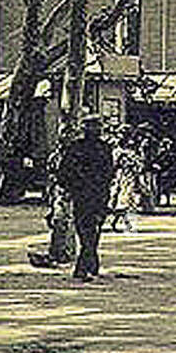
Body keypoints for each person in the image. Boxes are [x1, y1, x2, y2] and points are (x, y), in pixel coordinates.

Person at [61, 115, 115, 281]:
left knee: (87, 229)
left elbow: (63, 173)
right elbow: (65, 172)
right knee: (91, 229)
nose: (95, 131)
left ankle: (85, 265)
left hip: (87, 195)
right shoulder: (101, 148)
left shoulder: (79, 147)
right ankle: (89, 263)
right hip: (91, 194)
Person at [109, 127, 143, 232]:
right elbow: (113, 164)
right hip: (119, 177)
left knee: (127, 201)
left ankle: (129, 224)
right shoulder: (117, 150)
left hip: (129, 177)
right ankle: (117, 222)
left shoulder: (134, 148)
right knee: (116, 201)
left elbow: (139, 165)